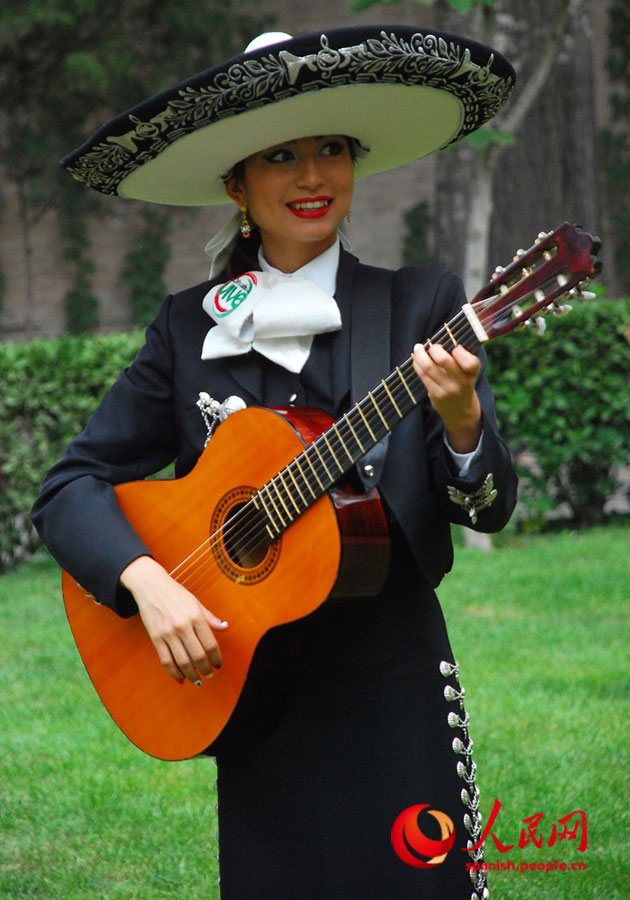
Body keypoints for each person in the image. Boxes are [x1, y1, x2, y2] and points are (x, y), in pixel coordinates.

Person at [32, 25, 518, 900]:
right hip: (255, 692)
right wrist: (147, 581)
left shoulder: (423, 304)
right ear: (237, 185)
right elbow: (70, 487)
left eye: (332, 150)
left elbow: (486, 507)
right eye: (282, 155)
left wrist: (461, 416)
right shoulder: (188, 329)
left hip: (391, 684)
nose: (312, 177)